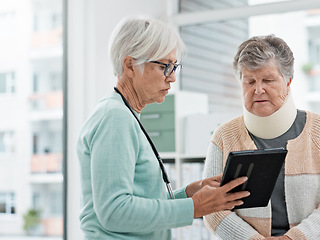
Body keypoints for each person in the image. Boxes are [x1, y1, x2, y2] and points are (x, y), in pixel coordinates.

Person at [76, 16, 249, 240]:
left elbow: (141, 206)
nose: (173, 78)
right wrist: (194, 207)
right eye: (165, 66)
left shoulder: (126, 114)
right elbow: (115, 212)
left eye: (175, 66)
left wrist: (188, 194)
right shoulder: (114, 118)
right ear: (130, 65)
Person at [202, 35, 320, 240]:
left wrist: (294, 238)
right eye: (249, 81)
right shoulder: (224, 136)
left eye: (268, 80)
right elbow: (212, 208)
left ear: (288, 81)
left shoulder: (319, 128)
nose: (258, 89)